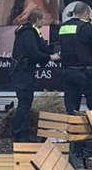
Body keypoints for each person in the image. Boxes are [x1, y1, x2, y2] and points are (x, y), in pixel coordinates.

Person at [11, 8, 58, 141]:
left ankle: (22, 132)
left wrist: (52, 51)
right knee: (24, 102)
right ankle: (19, 133)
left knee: (26, 102)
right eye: (42, 19)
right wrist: (50, 57)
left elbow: (41, 48)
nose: (44, 22)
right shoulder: (28, 33)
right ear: (36, 20)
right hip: (22, 72)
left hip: (25, 72)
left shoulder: (32, 31)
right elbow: (34, 53)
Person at [58, 1, 92, 114]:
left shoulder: (63, 27)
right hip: (86, 73)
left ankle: (72, 124)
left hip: (68, 72)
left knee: (71, 107)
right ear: (86, 13)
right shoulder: (88, 28)